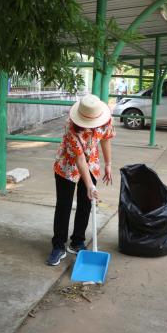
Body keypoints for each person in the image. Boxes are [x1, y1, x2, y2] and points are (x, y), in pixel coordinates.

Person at [48, 94, 115, 266]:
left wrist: (108, 163)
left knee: (86, 202)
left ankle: (77, 241)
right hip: (67, 165)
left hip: (91, 162)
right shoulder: (71, 128)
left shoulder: (106, 120)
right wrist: (90, 184)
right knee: (64, 204)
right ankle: (58, 245)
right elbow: (79, 160)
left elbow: (106, 139)